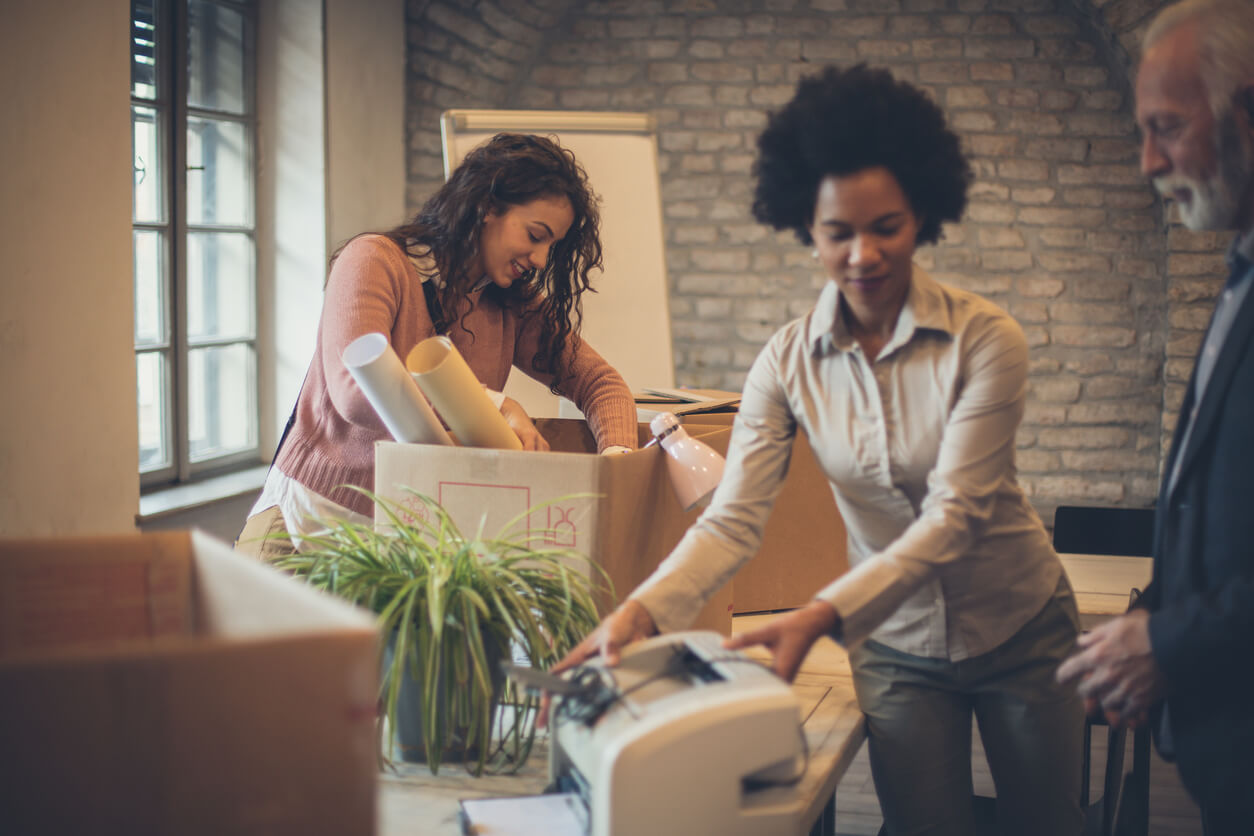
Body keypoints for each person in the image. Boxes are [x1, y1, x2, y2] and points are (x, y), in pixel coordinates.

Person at [550, 65, 1084, 835]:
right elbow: (732, 520)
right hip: (896, 645)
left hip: (1020, 626)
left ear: (922, 216)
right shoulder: (787, 362)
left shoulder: (984, 339)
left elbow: (957, 516)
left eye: (886, 227)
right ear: (808, 226)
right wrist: (636, 614)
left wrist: (822, 613)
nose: (862, 253)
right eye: (839, 232)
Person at [236, 133, 638, 559]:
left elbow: (602, 384)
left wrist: (618, 468)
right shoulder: (375, 261)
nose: (540, 259)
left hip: (406, 547)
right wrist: (498, 406)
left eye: (551, 246)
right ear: (487, 207)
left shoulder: (512, 306)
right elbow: (357, 394)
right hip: (305, 528)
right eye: (535, 235)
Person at [1056, 2, 1254, 832]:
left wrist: (1170, 645)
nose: (1147, 163)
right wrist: (1148, 623)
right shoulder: (1241, 269)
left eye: (1167, 127)